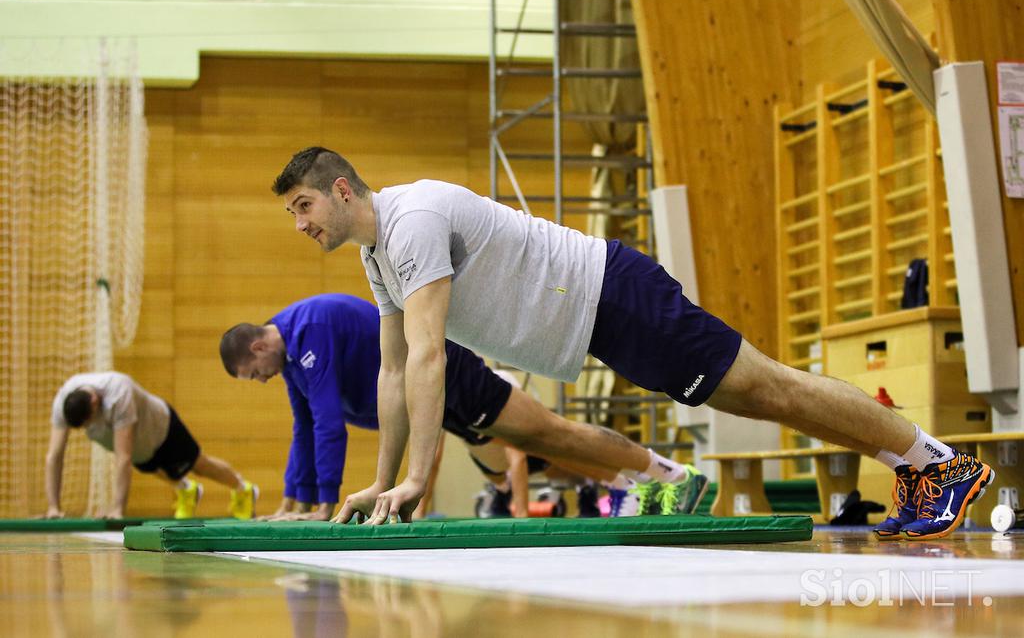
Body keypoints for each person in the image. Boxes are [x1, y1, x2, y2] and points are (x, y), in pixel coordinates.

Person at [271, 147, 993, 540]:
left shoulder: (411, 221)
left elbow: (429, 357)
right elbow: (393, 369)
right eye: (290, 214)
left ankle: (941, 462)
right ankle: (918, 465)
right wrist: (383, 477)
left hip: (613, 296)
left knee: (768, 387)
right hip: (599, 319)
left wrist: (418, 480)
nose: (299, 224)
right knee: (766, 398)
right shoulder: (378, 257)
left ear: (341, 189)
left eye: (302, 206)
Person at [220, 294, 706, 521]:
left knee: (547, 435)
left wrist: (325, 509)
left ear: (259, 349)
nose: (260, 381)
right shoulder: (289, 361)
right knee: (533, 453)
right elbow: (303, 428)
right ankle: (630, 485)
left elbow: (328, 426)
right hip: (430, 399)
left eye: (253, 374)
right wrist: (291, 505)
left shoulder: (311, 331)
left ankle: (668, 475)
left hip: (451, 378)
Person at [45, 372, 258, 520]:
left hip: (162, 429)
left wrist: (117, 509)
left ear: (93, 401)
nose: (88, 428)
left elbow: (123, 457)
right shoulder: (63, 401)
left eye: (89, 422)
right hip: (142, 449)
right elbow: (54, 456)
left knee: (199, 465)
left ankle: (243, 489)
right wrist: (53, 508)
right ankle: (187, 491)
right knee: (156, 469)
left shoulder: (118, 391)